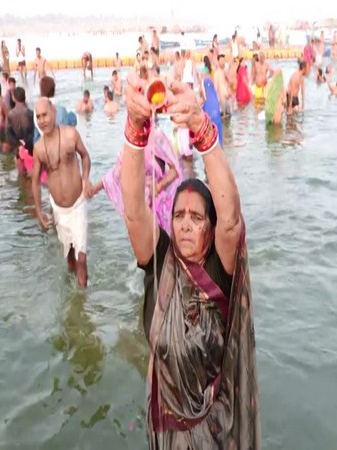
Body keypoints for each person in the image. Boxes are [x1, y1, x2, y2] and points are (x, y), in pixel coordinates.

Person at [119, 72, 260, 448]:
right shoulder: (162, 261)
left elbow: (231, 220)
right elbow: (134, 211)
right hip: (164, 432)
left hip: (212, 433)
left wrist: (201, 127)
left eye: (196, 218)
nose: (184, 225)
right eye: (178, 215)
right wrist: (135, 128)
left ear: (210, 230)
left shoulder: (218, 272)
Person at [32, 98, 92, 287]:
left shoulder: (70, 135)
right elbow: (34, 181)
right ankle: (72, 298)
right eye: (39, 116)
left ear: (54, 113)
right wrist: (39, 211)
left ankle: (83, 304)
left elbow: (85, 156)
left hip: (77, 204)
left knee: (81, 259)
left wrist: (85, 179)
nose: (43, 120)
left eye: (45, 115)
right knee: (70, 258)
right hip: (58, 210)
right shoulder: (38, 148)